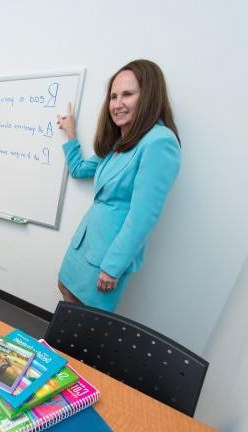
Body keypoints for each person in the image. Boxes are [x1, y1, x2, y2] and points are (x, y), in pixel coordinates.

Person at [56, 59, 181, 311]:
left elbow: (143, 216)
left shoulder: (159, 142)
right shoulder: (120, 143)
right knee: (66, 293)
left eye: (127, 94)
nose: (117, 104)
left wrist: (113, 267)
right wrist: (71, 133)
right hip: (85, 244)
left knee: (85, 320)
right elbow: (80, 170)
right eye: (113, 96)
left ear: (149, 97)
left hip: (107, 254)